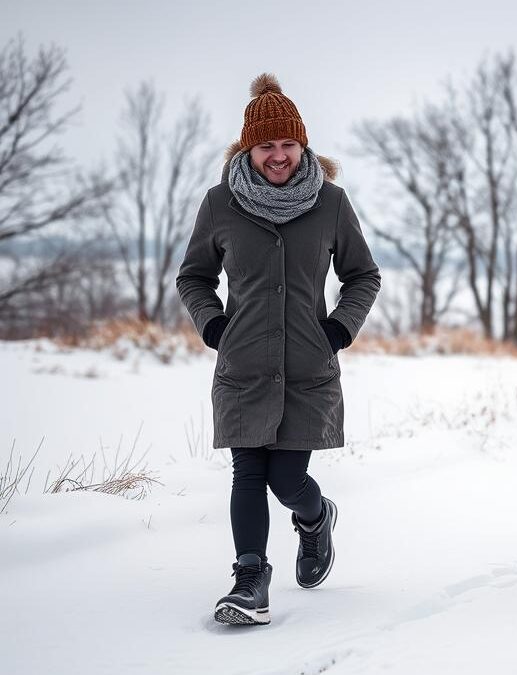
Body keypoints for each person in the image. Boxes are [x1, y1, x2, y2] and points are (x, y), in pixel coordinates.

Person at [176, 73, 381, 625]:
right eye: (267, 145)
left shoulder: (332, 203)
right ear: (248, 147)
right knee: (248, 472)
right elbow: (193, 278)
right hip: (243, 364)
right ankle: (250, 581)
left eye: (288, 144)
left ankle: (315, 519)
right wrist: (214, 326)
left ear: (303, 145)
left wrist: (338, 330)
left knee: (286, 480)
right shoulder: (220, 204)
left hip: (309, 366)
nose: (278, 155)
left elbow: (363, 276)